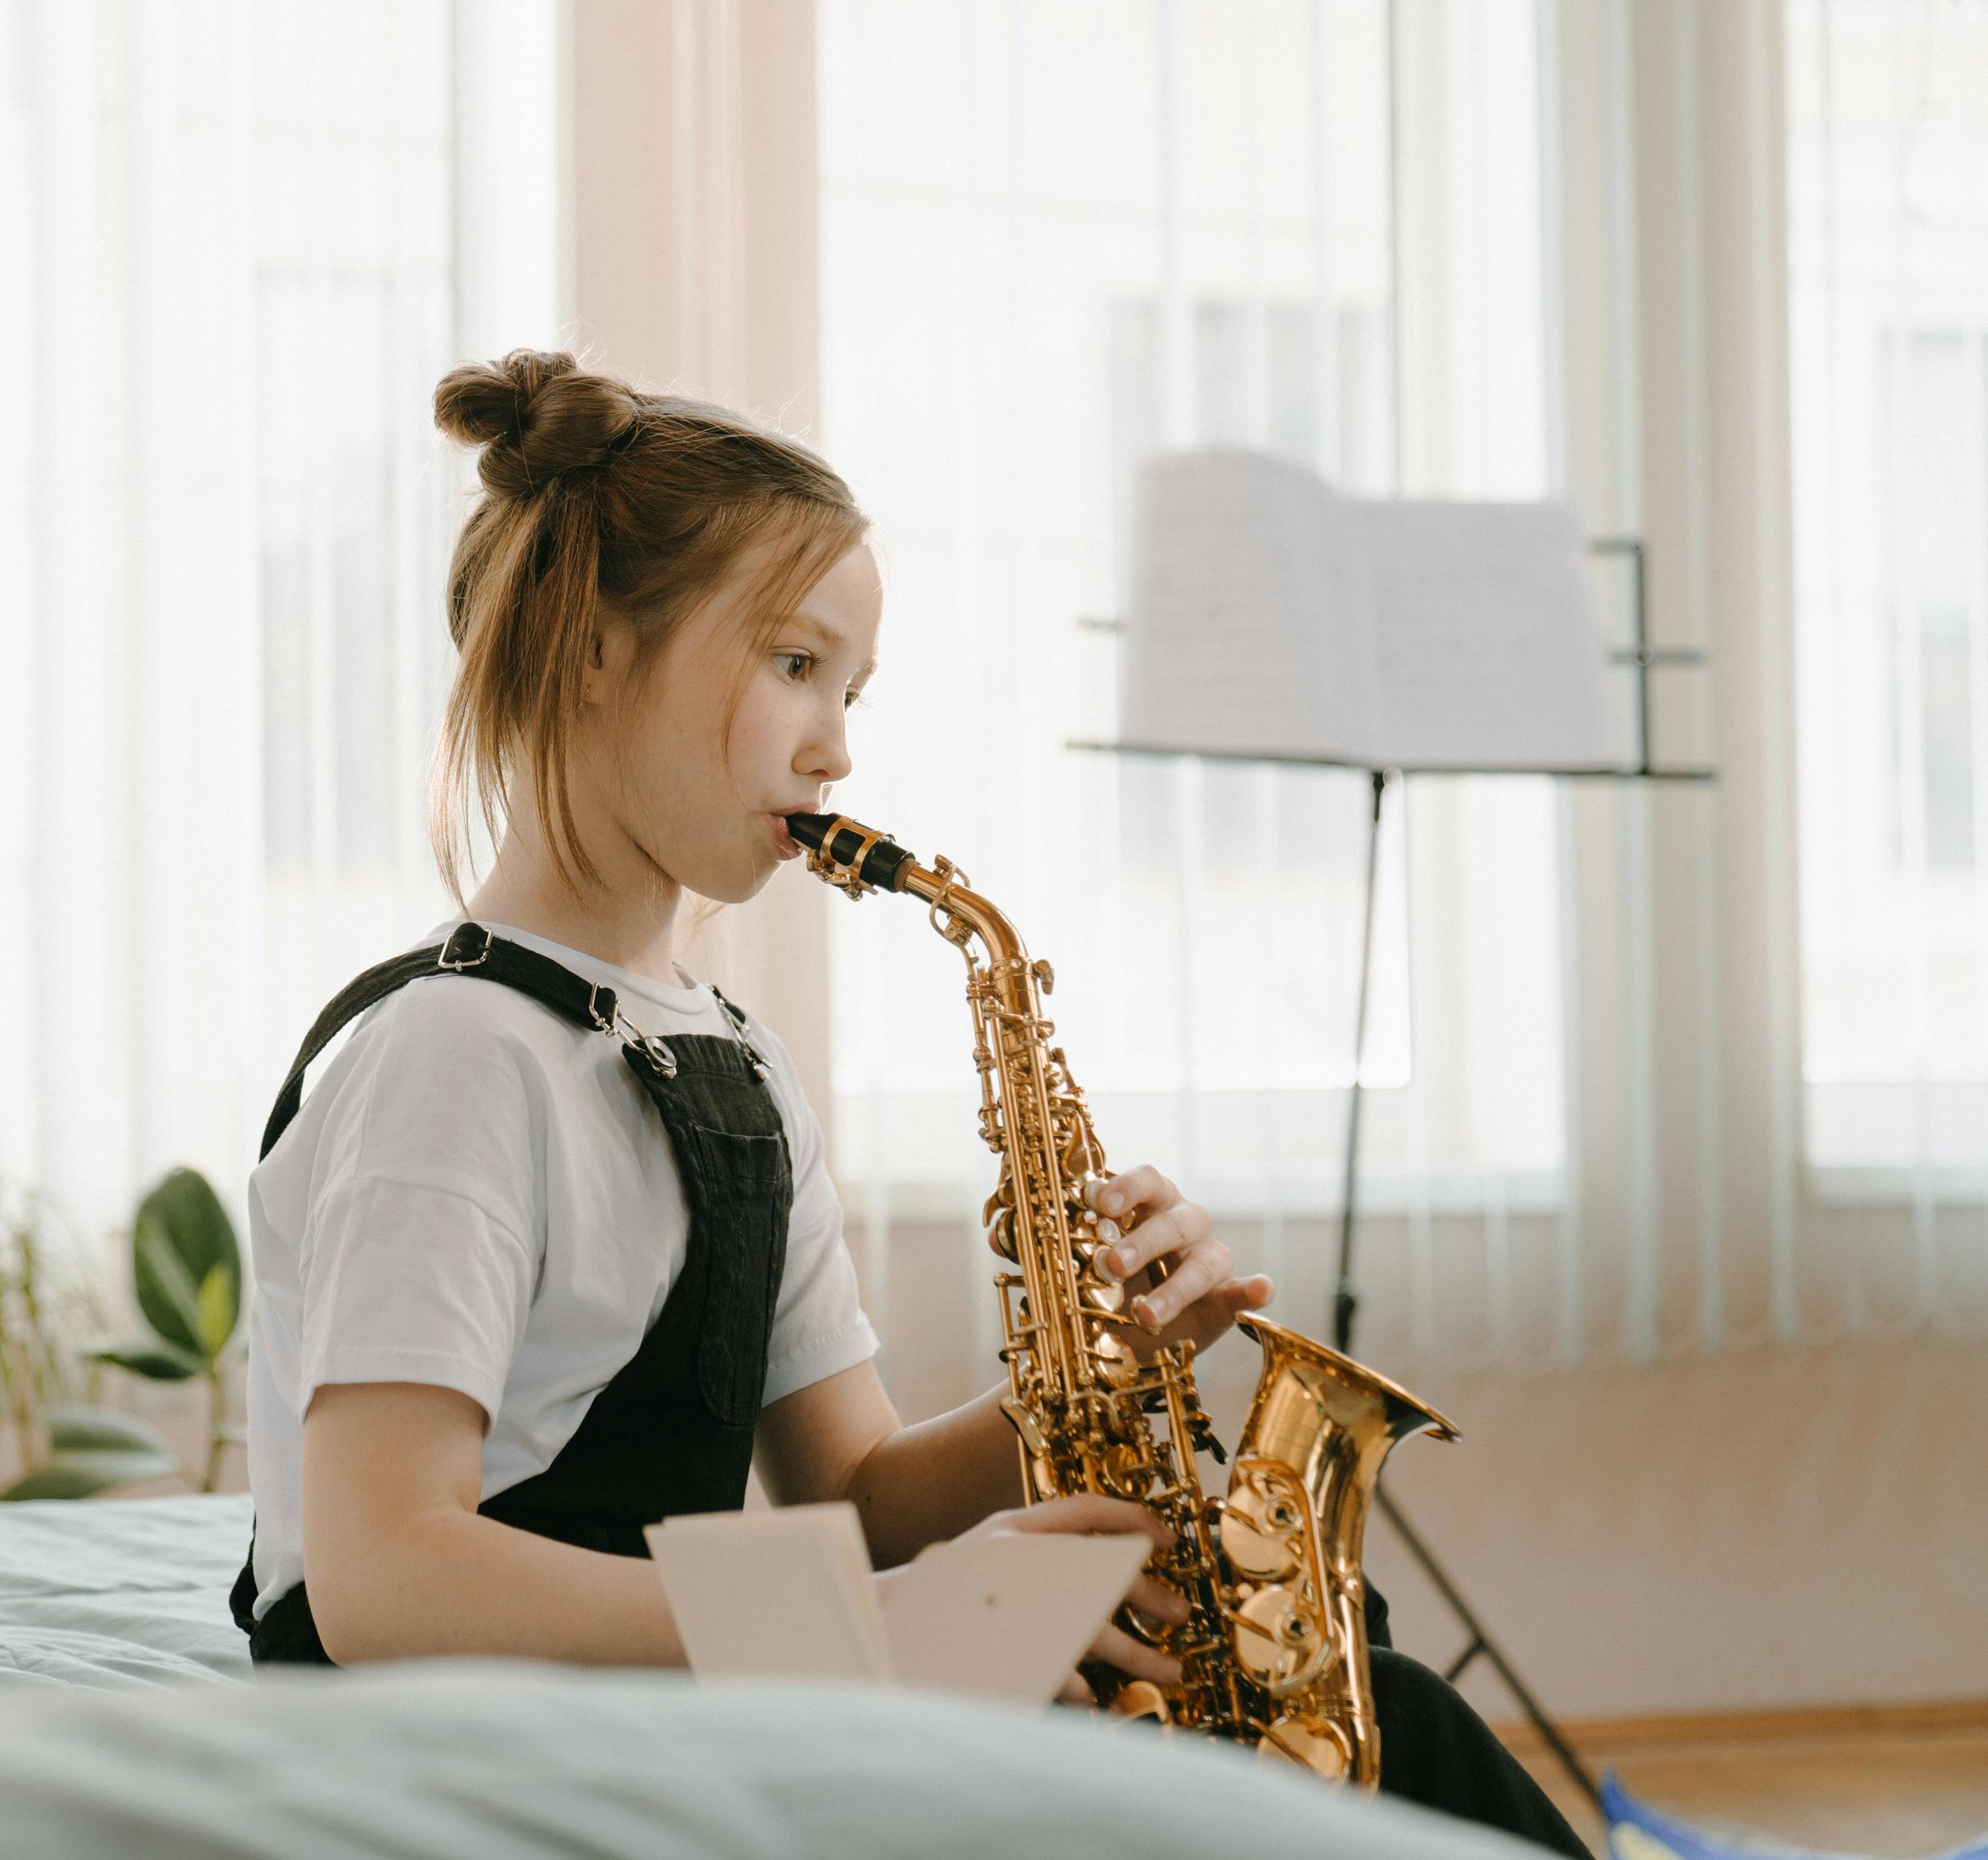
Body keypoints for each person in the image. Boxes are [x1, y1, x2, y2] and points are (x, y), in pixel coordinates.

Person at [229, 350, 1588, 1858]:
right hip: (474, 1750)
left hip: (638, 1706)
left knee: (1337, 1673)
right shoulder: (457, 1056)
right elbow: (383, 1581)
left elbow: (861, 1493)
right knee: (1376, 1744)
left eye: (853, 687)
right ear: (596, 644)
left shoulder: (727, 1054)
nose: (838, 744)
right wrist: (877, 1628)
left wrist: (1098, 1377)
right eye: (793, 664)